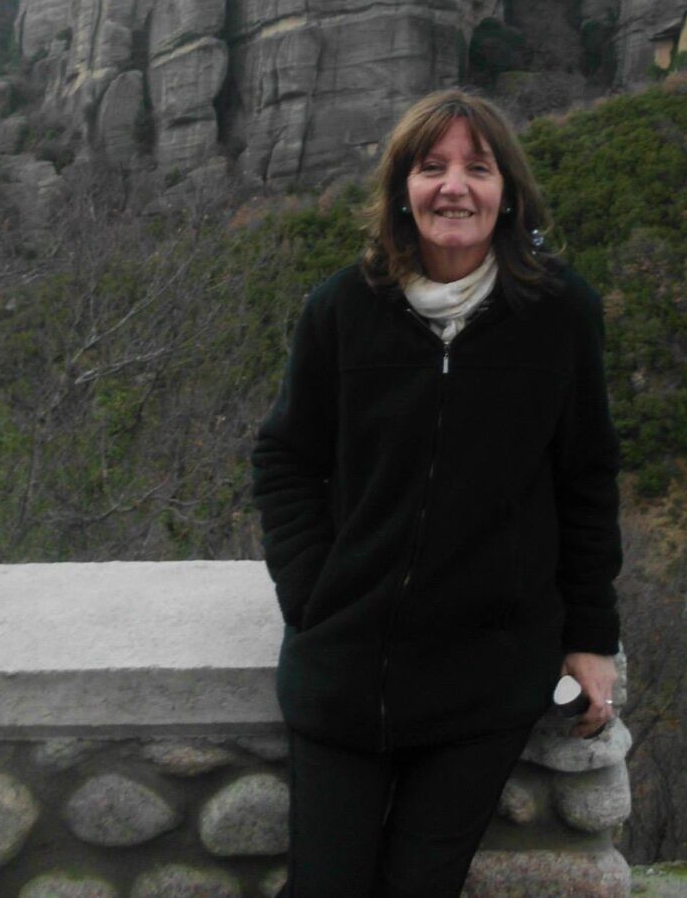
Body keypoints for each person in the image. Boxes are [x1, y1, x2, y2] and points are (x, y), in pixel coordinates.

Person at [252, 87, 622, 898]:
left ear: (508, 193)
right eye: (432, 167)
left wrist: (592, 633)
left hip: (484, 675)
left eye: (477, 168)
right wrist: (313, 592)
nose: (454, 186)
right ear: (402, 189)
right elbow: (285, 459)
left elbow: (587, 475)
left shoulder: (559, 314)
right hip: (347, 670)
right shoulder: (342, 310)